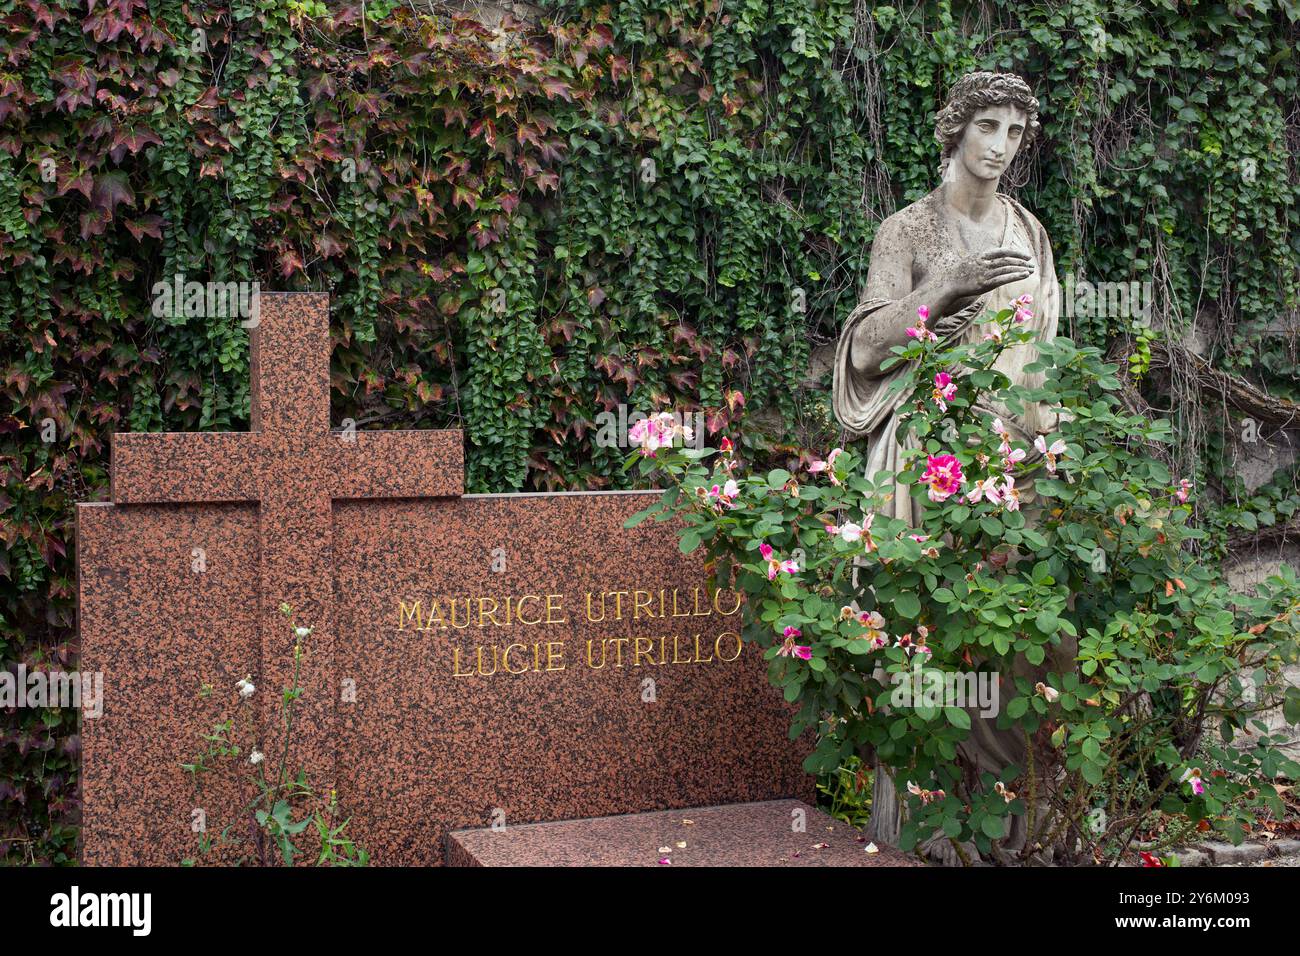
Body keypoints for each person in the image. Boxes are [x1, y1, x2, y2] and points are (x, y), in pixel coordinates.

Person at [832, 71, 1072, 864]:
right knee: (926, 647)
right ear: (956, 130)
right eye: (988, 128)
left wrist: (1046, 444)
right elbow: (867, 346)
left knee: (1010, 650)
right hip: (923, 465)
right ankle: (925, 839)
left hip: (1010, 469)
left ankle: (1000, 839)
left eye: (1014, 132)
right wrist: (946, 289)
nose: (1001, 147)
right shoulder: (906, 230)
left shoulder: (1030, 233)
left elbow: (1043, 359)